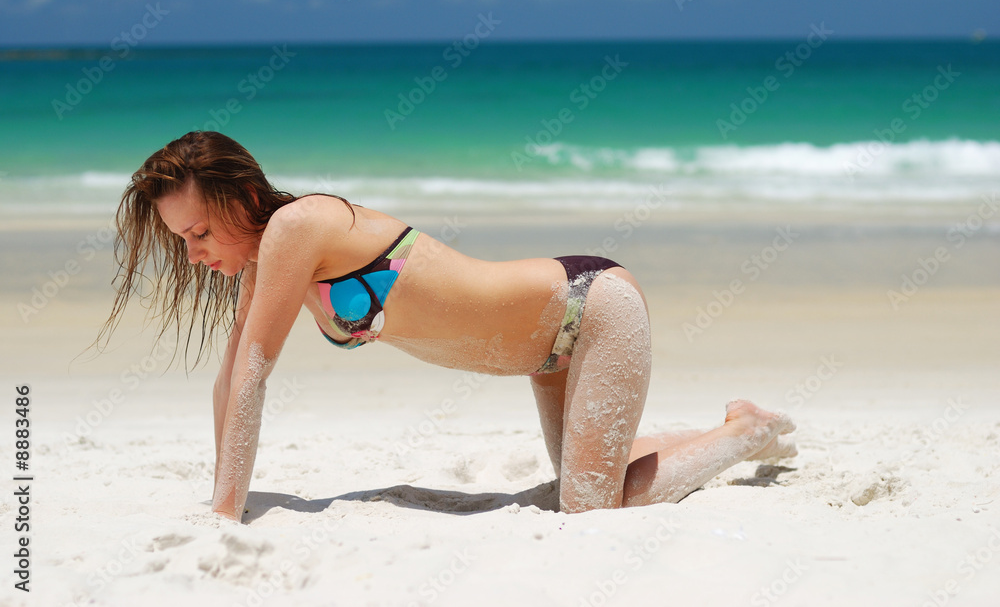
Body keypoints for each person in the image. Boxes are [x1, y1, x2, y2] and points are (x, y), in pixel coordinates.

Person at [98, 131, 796, 523]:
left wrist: (224, 518)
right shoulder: (265, 266)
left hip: (591, 308)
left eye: (196, 231)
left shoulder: (295, 225)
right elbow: (229, 380)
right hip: (545, 353)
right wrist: (228, 497)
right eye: (179, 240)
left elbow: (255, 373)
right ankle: (730, 420)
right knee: (588, 475)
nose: (192, 253)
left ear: (244, 196)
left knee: (589, 506)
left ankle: (746, 432)